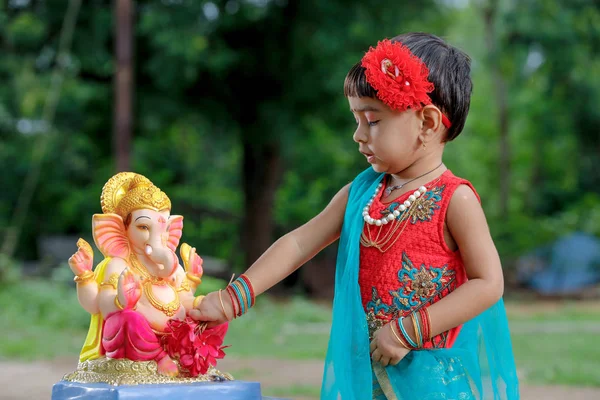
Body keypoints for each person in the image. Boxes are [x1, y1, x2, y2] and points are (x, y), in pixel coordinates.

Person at [190, 32, 519, 399]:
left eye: (372, 120)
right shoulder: (363, 193)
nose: (358, 135)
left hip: (430, 384)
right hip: (367, 377)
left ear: (427, 122)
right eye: (356, 119)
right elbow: (300, 243)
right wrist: (235, 298)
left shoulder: (454, 199)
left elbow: (488, 283)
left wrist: (409, 330)